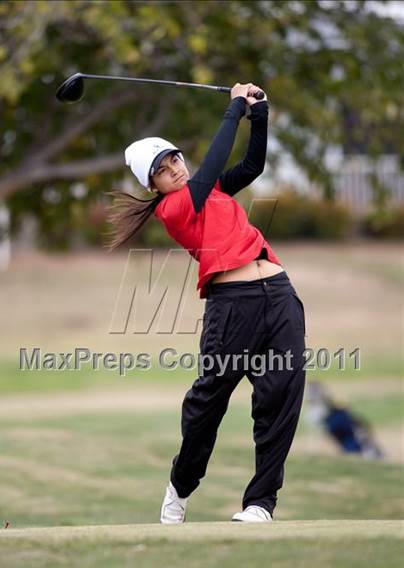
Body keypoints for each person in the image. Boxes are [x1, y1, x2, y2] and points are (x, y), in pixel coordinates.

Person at [107, 82, 307, 523]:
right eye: (162, 168)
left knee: (282, 393)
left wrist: (260, 115)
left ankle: (260, 504)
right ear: (153, 184)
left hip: (279, 295)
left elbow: (252, 165)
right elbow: (212, 164)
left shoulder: (210, 189)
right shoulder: (173, 208)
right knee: (209, 400)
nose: (174, 168)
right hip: (231, 304)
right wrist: (233, 109)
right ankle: (180, 487)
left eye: (175, 158)